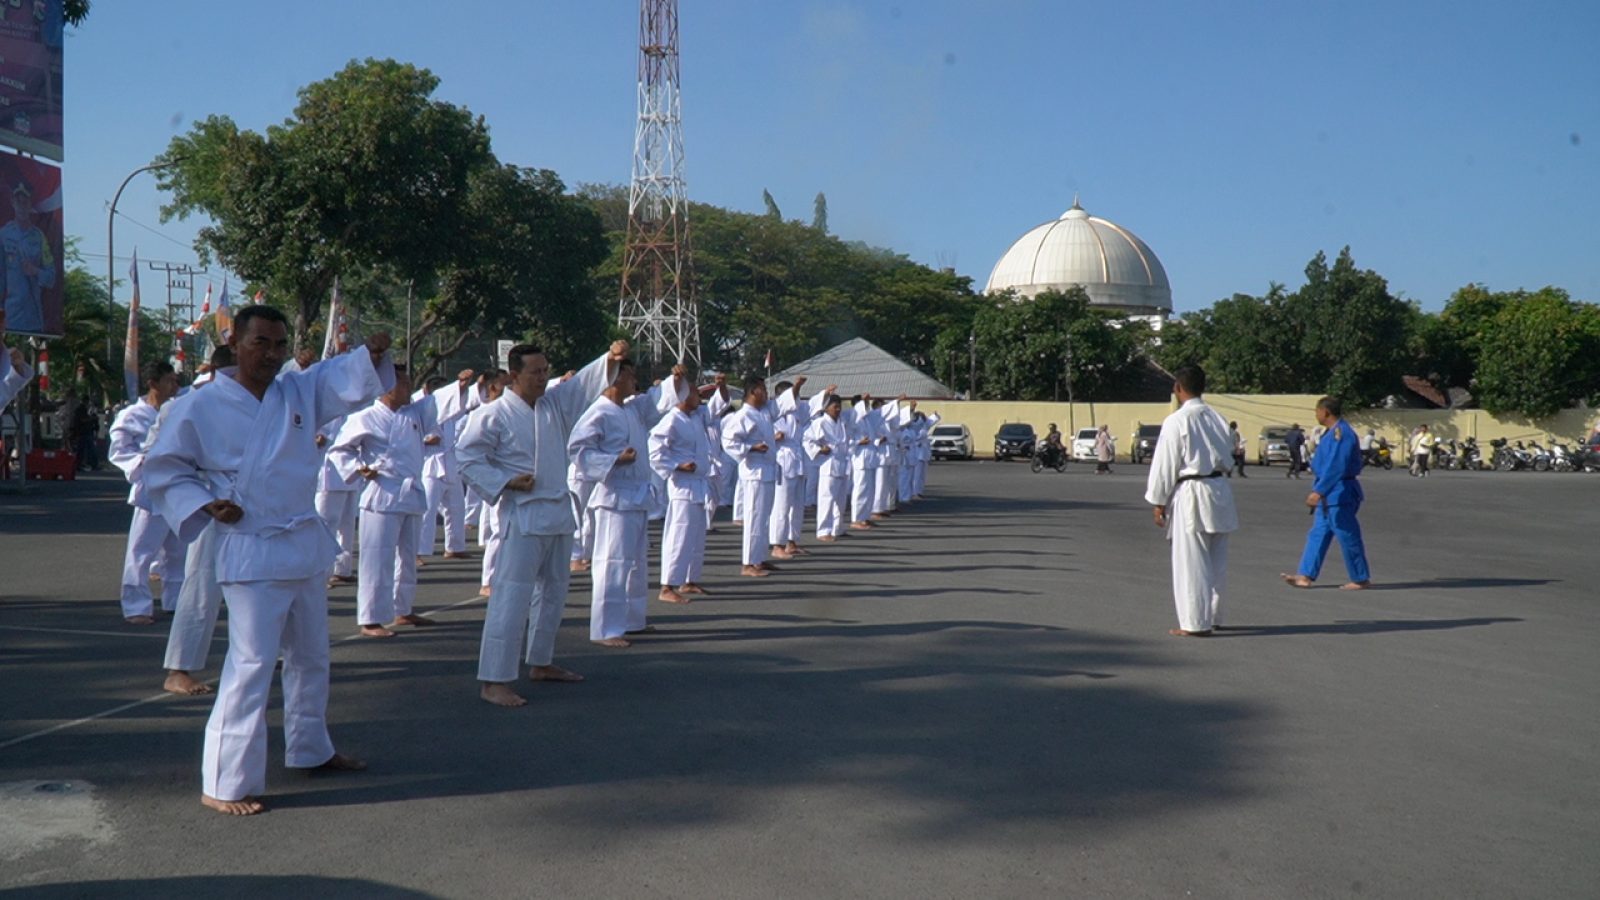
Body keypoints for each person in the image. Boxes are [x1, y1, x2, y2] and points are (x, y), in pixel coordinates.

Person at [142, 305, 392, 816]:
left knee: (311, 656)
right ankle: (224, 780)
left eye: (279, 345)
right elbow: (163, 468)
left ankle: (311, 747)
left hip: (301, 539)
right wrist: (205, 503)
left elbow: (338, 378)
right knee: (252, 663)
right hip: (251, 541)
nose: (272, 355)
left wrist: (372, 355)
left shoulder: (295, 390)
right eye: (262, 344)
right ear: (235, 342)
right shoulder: (199, 404)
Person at [456, 340, 627, 707]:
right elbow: (468, 457)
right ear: (513, 376)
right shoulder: (492, 413)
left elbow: (581, 384)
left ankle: (541, 661)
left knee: (554, 592)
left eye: (546, 370)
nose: (542, 377)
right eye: (535, 372)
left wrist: (609, 359)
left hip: (559, 510)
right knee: (511, 595)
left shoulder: (555, 405)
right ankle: (494, 680)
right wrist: (505, 481)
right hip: (523, 512)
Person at [566, 360, 678, 647]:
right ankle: (605, 629)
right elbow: (578, 449)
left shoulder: (631, 409)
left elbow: (657, 401)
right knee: (611, 563)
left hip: (637, 496)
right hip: (613, 496)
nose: (634, 381)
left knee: (636, 563)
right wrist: (615, 460)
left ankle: (632, 620)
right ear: (613, 379)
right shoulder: (598, 412)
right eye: (629, 375)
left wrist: (674, 380)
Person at [328, 364, 435, 637]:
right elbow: (339, 450)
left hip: (410, 493)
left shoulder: (413, 413)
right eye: (404, 383)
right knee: (377, 558)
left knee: (407, 558)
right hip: (381, 493)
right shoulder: (365, 417)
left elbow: (442, 401)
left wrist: (464, 386)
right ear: (387, 386)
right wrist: (357, 468)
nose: (410, 388)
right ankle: (371, 618)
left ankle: (403, 609)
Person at [161, 344, 235, 696]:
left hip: (263, 511)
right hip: (212, 507)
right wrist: (204, 501)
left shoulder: (270, 403)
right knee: (202, 589)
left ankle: (269, 650)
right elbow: (163, 459)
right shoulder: (191, 405)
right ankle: (179, 668)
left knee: (274, 585)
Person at [1145, 366, 1237, 637]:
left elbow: (1165, 464)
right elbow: (1229, 454)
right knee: (1216, 559)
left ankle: (1196, 622)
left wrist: (1159, 500)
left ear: (1178, 388)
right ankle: (1214, 615)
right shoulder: (1219, 419)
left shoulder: (1177, 421)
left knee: (1191, 561)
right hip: (1219, 488)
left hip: (1193, 490)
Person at [109, 361, 186, 625]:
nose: (175, 386)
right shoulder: (132, 414)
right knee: (141, 552)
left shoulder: (179, 408)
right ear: (153, 384)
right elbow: (118, 449)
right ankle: (136, 606)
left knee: (178, 551)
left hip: (177, 485)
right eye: (169, 381)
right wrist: (140, 462)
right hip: (149, 490)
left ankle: (176, 601)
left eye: (176, 381)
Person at [1282, 396, 1372, 591]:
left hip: (1339, 492)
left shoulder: (1342, 434)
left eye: (1317, 411)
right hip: (1329, 493)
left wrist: (1318, 491)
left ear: (1325, 412)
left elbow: (1336, 466)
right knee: (1318, 534)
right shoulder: (1330, 433)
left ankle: (1360, 577)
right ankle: (1305, 575)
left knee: (1347, 535)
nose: (1316, 415)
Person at [649, 372, 715, 601]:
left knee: (696, 537)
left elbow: (717, 408)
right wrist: (676, 465)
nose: (699, 397)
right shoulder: (672, 419)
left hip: (698, 484)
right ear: (684, 395)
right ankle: (667, 586)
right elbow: (654, 450)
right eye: (695, 392)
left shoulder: (695, 418)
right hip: (682, 485)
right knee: (679, 535)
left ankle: (688, 580)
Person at [723, 375, 779, 577]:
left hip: (767, 472)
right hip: (754, 472)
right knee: (754, 517)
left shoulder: (761, 414)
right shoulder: (743, 415)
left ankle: (759, 558)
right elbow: (729, 441)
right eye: (763, 389)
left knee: (763, 518)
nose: (766, 394)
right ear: (754, 391)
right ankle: (748, 563)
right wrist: (751, 447)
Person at [416, 370, 475, 561]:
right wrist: (425, 440)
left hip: (450, 462)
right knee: (427, 510)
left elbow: (466, 404)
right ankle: (419, 551)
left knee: (456, 507)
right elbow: (407, 435)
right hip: (430, 465)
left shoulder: (450, 410)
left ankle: (455, 546)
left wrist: (464, 387)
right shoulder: (418, 408)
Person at [0, 181, 57, 335]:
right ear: (12, 202)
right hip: (10, 318)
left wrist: (35, 271)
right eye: (18, 200)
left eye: (25, 201)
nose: (21, 204)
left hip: (34, 318)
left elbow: (51, 278)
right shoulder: (3, 235)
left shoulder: (39, 237)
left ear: (30, 204)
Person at [768, 377, 810, 559]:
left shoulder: (798, 413)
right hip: (782, 461)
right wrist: (773, 437)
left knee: (797, 505)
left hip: (798, 460)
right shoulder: (771, 413)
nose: (796, 398)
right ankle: (777, 544)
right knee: (782, 505)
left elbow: (814, 407)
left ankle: (792, 541)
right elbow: (763, 435)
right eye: (793, 395)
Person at [804, 393, 852, 542]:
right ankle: (823, 530)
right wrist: (819, 450)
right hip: (828, 463)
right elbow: (807, 439)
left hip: (842, 463)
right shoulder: (820, 423)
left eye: (839, 406)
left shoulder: (842, 422)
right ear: (825, 408)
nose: (838, 409)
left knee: (840, 499)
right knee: (827, 499)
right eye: (834, 406)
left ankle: (837, 528)